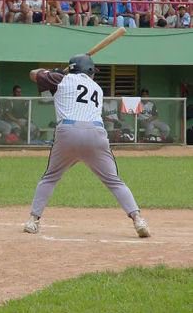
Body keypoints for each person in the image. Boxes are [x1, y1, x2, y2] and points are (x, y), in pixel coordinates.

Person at [23, 55, 150, 238]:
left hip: (67, 132)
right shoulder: (97, 88)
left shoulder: (61, 79)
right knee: (114, 181)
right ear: (88, 70)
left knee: (50, 178)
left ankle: (33, 220)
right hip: (95, 134)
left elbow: (32, 74)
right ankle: (138, 219)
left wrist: (51, 73)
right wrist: (55, 75)